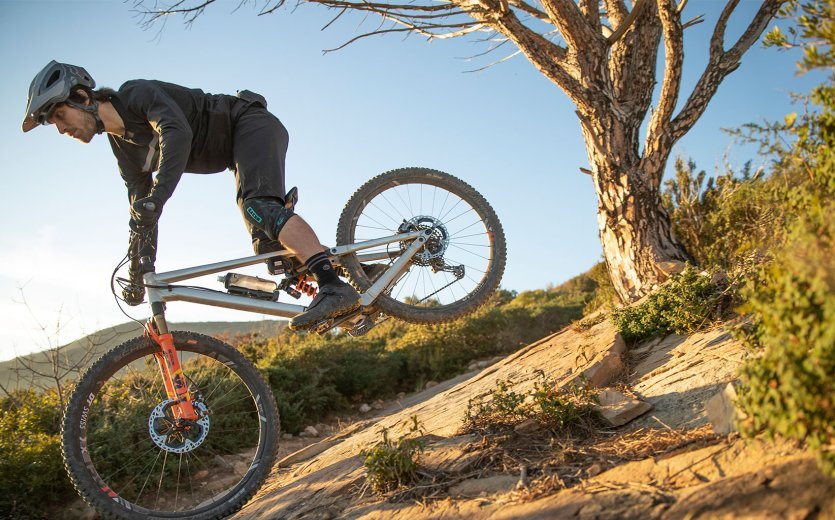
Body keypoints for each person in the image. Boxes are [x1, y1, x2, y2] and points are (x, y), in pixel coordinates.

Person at [22, 60, 360, 330]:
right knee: (271, 251)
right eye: (54, 125)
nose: (61, 129)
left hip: (249, 122)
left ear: (82, 98)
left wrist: (158, 196)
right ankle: (352, 283)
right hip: (235, 153)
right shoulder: (123, 149)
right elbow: (141, 213)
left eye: (60, 116)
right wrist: (141, 268)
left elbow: (176, 132)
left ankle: (333, 286)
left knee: (257, 208)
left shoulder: (135, 95)